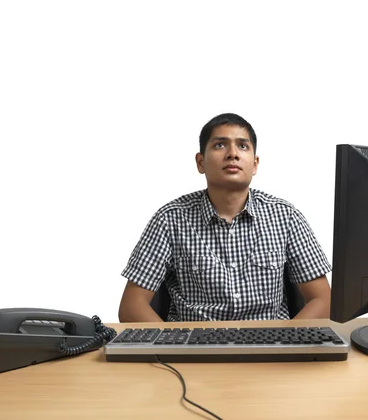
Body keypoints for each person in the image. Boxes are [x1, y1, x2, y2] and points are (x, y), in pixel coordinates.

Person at [118, 113, 331, 322]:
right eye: (220, 145)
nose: (233, 154)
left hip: (269, 346)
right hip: (194, 348)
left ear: (255, 164)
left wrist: (285, 343)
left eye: (243, 146)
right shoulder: (169, 220)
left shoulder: (286, 217)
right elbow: (131, 307)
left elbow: (322, 299)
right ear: (200, 162)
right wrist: (173, 347)